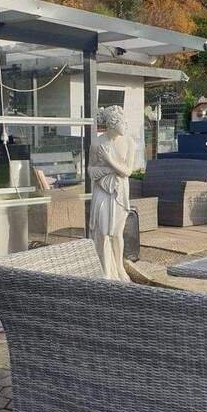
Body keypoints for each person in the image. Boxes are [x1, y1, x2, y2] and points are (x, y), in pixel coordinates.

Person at [88, 105, 137, 281]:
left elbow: (127, 171)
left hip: (119, 192)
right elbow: (90, 170)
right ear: (113, 123)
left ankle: (119, 267)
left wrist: (109, 160)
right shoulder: (97, 143)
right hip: (102, 191)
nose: (126, 125)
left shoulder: (129, 142)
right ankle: (105, 270)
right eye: (123, 123)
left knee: (117, 233)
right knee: (102, 232)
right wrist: (106, 171)